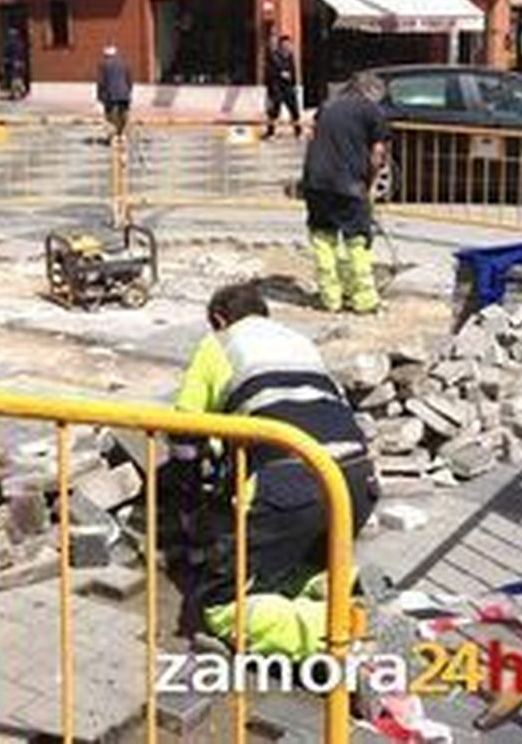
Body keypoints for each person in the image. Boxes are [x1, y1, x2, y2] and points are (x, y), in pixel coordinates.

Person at [171, 282, 378, 657]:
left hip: (292, 480)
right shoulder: (298, 341)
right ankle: (343, 585)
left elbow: (185, 433)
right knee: (292, 565)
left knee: (222, 604)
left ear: (219, 319)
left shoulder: (220, 343)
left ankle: (346, 633)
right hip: (358, 476)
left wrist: (190, 510)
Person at [299, 71, 390, 314]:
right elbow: (377, 154)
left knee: (323, 238)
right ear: (372, 93)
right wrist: (370, 184)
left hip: (315, 182)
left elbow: (313, 135)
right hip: (348, 184)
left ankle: (331, 298)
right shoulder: (372, 111)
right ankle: (364, 299)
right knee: (356, 241)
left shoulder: (328, 105)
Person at [264, 34, 302, 139]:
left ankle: (298, 132)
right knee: (274, 111)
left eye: (289, 44)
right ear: (281, 45)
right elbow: (270, 72)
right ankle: (270, 132)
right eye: (285, 44)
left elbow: (293, 71)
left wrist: (294, 85)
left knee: (294, 110)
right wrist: (280, 74)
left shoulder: (290, 56)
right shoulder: (274, 56)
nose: (287, 46)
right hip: (277, 87)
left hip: (288, 87)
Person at [96, 44, 134, 137]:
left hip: (110, 95)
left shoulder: (103, 65)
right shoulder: (124, 63)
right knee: (123, 115)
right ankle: (122, 135)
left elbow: (101, 82)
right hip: (124, 95)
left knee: (109, 116)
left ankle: (113, 135)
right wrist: (128, 92)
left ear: (105, 55)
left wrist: (99, 95)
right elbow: (129, 80)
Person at [2, 26, 28, 99]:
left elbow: (8, 53)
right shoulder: (20, 43)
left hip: (13, 62)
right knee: (18, 77)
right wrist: (22, 62)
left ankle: (16, 93)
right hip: (19, 62)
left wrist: (7, 60)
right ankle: (21, 91)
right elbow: (22, 54)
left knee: (14, 78)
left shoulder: (11, 43)